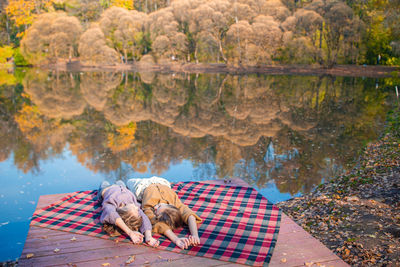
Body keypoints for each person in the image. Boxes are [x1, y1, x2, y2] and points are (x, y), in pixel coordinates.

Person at [127, 177, 202, 249]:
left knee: (129, 182)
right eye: (159, 206)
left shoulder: (149, 208)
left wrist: (176, 239)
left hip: (142, 186)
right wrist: (194, 234)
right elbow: (189, 215)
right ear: (170, 205)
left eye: (156, 211)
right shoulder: (175, 203)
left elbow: (159, 224)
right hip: (161, 182)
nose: (155, 207)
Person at [98, 180, 159, 247]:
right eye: (136, 209)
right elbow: (144, 218)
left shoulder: (111, 204)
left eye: (135, 209)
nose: (137, 207)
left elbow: (112, 215)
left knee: (104, 182)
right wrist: (148, 236)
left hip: (106, 188)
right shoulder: (134, 205)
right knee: (120, 181)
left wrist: (130, 233)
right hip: (123, 187)